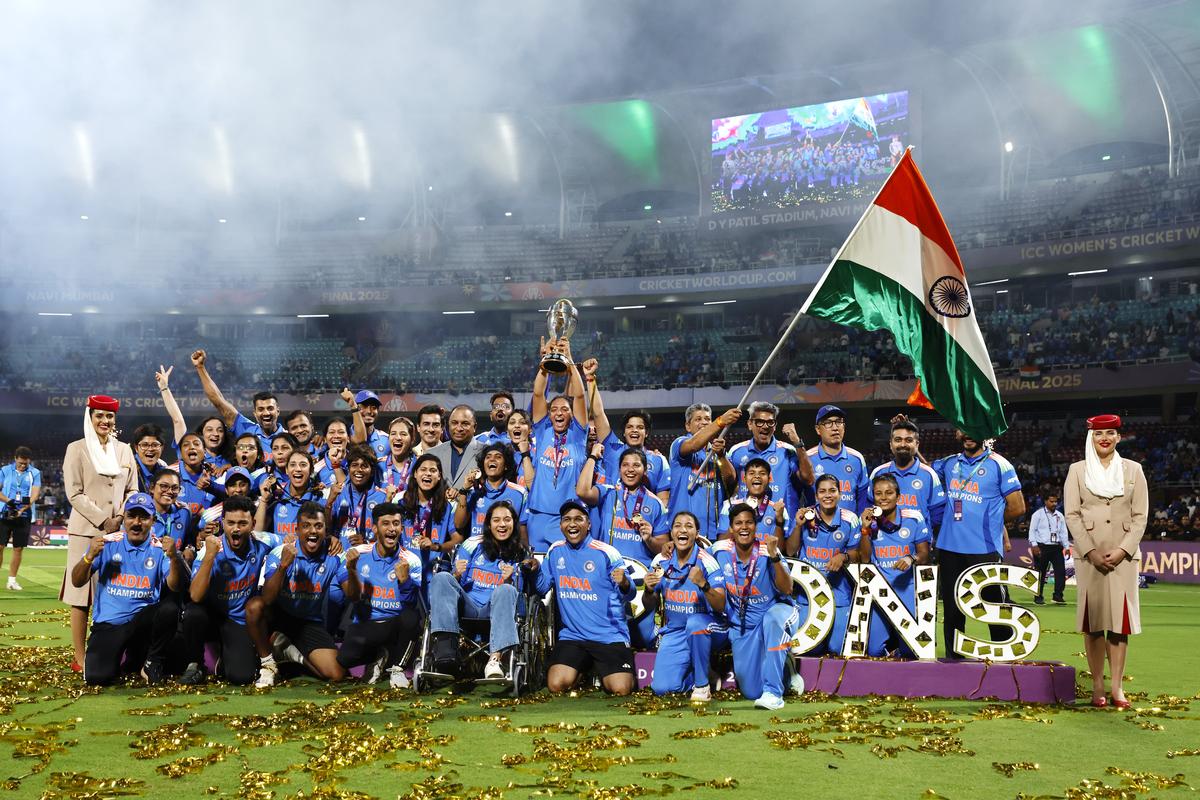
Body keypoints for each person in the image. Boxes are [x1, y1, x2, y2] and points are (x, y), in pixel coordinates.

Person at [1063, 414, 1148, 709]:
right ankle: (1097, 684)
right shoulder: (1077, 471)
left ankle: (1117, 687)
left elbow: (1140, 517)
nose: (1105, 438)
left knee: (1119, 624)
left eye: (1111, 432)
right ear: (1091, 437)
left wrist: (1124, 550)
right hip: (1090, 558)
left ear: (1119, 437)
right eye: (1099, 433)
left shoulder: (1134, 470)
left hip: (1124, 559)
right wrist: (1090, 551)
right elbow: (1072, 514)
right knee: (1094, 623)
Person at [70, 493, 187, 685]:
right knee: (98, 677)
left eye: (144, 517)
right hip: (110, 624)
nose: (137, 523)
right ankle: (130, 658)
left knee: (170, 609)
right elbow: (77, 581)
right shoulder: (107, 543)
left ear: (153, 521)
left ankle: (151, 662)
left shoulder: (160, 548)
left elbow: (175, 586)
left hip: (143, 623)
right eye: (132, 516)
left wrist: (174, 558)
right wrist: (88, 557)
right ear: (124, 518)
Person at [932, 429, 1025, 660]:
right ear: (956, 432)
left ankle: (1004, 658)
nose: (968, 434)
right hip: (949, 547)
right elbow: (924, 471)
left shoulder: (1000, 464)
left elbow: (1018, 507)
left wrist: (990, 522)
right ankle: (954, 659)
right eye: (964, 428)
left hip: (984, 549)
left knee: (995, 608)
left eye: (974, 427)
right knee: (953, 609)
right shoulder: (949, 463)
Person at [62, 395, 139, 671]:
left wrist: (121, 517)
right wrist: (103, 519)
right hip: (85, 532)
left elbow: (133, 490)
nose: (105, 421)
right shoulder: (76, 449)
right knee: (80, 597)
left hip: (119, 532)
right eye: (99, 416)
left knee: (117, 592)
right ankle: (81, 658)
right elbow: (74, 493)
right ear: (90, 417)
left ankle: (112, 652)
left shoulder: (124, 450)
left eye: (109, 416)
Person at [531, 500, 636, 696]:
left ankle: (596, 669)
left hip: (609, 636)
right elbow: (542, 588)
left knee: (621, 689)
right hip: (573, 636)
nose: (572, 524)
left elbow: (630, 594)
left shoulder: (606, 553)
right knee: (556, 685)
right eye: (567, 519)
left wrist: (624, 583)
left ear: (588, 524)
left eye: (579, 519)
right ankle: (584, 669)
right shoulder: (555, 551)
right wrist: (535, 571)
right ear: (561, 524)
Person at [181, 495, 280, 685]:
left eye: (242, 523)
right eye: (231, 523)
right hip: (210, 614)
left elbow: (289, 543)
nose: (236, 529)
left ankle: (224, 661)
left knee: (241, 677)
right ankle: (196, 665)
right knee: (193, 613)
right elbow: (195, 595)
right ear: (223, 523)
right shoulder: (208, 550)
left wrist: (331, 541)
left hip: (236, 619)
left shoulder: (264, 541)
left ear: (253, 523)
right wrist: (210, 556)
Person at [247, 501, 345, 687]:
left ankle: (291, 653)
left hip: (307, 621)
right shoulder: (281, 552)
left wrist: (353, 568)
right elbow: (267, 598)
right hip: (277, 615)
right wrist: (283, 566)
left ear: (326, 530)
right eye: (306, 526)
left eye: (318, 526)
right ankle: (268, 664)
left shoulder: (334, 554)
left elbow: (353, 595)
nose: (313, 531)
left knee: (336, 674)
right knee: (255, 606)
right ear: (297, 529)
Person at [710, 505, 798, 710]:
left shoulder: (768, 551)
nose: (744, 527)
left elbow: (787, 589)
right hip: (744, 626)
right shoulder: (719, 551)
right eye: (738, 523)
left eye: (749, 522)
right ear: (731, 528)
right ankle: (786, 670)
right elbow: (697, 555)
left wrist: (775, 556)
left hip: (777, 613)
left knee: (773, 621)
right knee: (751, 691)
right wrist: (668, 548)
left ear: (755, 526)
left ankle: (774, 694)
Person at [429, 500, 528, 680]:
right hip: (468, 605)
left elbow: (518, 594)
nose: (502, 524)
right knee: (442, 577)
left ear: (514, 523)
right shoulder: (472, 544)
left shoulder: (521, 553)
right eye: (496, 520)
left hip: (495, 610)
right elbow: (454, 586)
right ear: (489, 524)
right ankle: (446, 649)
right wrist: (456, 574)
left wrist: (510, 580)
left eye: (507, 519)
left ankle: (495, 660)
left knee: (506, 589)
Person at [335, 502, 423, 688]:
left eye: (397, 524)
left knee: (411, 618)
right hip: (367, 625)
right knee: (344, 658)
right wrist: (351, 570)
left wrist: (405, 582)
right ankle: (380, 656)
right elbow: (353, 597)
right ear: (375, 528)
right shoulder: (358, 554)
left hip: (395, 625)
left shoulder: (412, 560)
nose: (392, 529)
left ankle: (397, 669)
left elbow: (411, 605)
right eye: (386, 523)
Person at [642, 511, 726, 700]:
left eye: (689, 526)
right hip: (676, 632)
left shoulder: (707, 561)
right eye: (678, 525)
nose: (683, 529)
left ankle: (702, 686)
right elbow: (649, 605)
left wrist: (704, 585)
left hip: (710, 628)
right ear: (671, 532)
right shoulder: (660, 561)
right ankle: (702, 673)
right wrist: (648, 591)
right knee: (662, 688)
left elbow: (721, 605)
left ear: (697, 534)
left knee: (695, 623)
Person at [526, 337, 589, 551]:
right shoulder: (543, 431)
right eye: (553, 409)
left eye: (564, 409)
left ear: (572, 415)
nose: (558, 413)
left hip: (566, 518)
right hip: (537, 515)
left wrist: (568, 359)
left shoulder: (578, 435)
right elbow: (537, 393)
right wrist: (547, 362)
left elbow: (580, 395)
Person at [859, 473, 931, 658]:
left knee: (911, 650)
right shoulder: (869, 520)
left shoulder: (913, 518)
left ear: (898, 497)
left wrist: (911, 558)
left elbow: (925, 554)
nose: (883, 498)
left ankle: (897, 660)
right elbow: (865, 559)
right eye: (878, 493)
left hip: (906, 590)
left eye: (889, 493)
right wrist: (865, 529)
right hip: (880, 591)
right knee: (873, 650)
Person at [794, 474, 862, 655]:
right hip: (808, 596)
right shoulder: (805, 515)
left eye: (832, 490)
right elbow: (791, 550)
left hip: (838, 594)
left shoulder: (850, 519)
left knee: (836, 648)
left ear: (840, 494)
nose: (827, 495)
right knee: (808, 648)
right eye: (822, 491)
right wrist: (797, 526)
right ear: (816, 496)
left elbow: (858, 554)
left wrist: (843, 556)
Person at [576, 442, 669, 563]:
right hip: (609, 568)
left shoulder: (656, 503)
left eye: (636, 465)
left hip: (640, 571)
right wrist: (593, 456)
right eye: (625, 465)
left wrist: (649, 539)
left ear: (645, 471)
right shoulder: (608, 493)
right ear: (619, 470)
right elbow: (582, 491)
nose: (630, 469)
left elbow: (664, 547)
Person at [729, 401, 813, 524]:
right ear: (750, 424)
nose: (765, 426)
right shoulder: (736, 452)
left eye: (770, 422)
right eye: (759, 422)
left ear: (775, 426)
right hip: (747, 525)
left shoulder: (788, 451)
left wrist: (797, 442)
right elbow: (728, 483)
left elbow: (808, 479)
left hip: (783, 526)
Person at [667, 404, 742, 540]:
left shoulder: (717, 450)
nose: (704, 422)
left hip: (712, 533)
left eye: (707, 419)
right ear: (688, 426)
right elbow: (694, 444)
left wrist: (721, 456)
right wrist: (720, 421)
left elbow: (730, 479)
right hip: (682, 531)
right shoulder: (680, 443)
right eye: (698, 419)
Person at [191, 349, 282, 459]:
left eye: (270, 408)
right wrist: (200, 368)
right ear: (255, 413)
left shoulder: (289, 438)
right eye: (261, 409)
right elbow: (219, 401)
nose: (266, 413)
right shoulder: (246, 429)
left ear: (278, 411)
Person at [868, 417, 946, 531]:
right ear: (891, 444)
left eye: (909, 440)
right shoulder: (878, 472)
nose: (903, 444)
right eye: (898, 440)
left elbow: (937, 513)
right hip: (884, 544)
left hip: (918, 544)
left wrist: (922, 533)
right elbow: (870, 507)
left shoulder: (929, 474)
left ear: (917, 444)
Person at [398, 454, 461, 580]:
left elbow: (457, 540)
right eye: (423, 469)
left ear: (439, 476)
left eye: (433, 471)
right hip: (406, 572)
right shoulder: (401, 504)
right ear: (415, 474)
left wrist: (436, 546)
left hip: (433, 574)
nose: (427, 474)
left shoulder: (446, 507)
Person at [454, 443, 529, 541]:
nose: (492, 459)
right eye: (488, 457)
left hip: (507, 551)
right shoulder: (473, 492)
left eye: (498, 457)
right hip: (478, 552)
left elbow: (522, 530)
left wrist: (524, 554)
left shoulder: (519, 493)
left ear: (506, 466)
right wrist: (464, 490)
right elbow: (459, 525)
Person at [716, 458, 792, 553]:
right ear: (744, 478)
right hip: (737, 563)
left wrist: (779, 522)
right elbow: (721, 543)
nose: (757, 476)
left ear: (769, 479)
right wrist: (736, 520)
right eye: (751, 473)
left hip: (766, 564)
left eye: (762, 473)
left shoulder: (779, 509)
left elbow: (780, 550)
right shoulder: (730, 506)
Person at [805, 405, 866, 516]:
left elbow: (863, 498)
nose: (835, 428)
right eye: (828, 423)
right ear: (818, 429)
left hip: (850, 530)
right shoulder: (807, 458)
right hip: (816, 529)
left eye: (839, 422)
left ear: (844, 426)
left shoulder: (857, 458)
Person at [328, 444, 389, 548]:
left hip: (367, 559)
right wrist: (328, 504)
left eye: (364, 466)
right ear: (348, 469)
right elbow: (325, 529)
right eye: (354, 465)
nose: (359, 470)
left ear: (372, 471)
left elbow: (386, 537)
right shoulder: (338, 494)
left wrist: (366, 543)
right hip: (339, 558)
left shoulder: (382, 498)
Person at [0, 446, 41, 591]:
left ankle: (11, 581)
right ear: (15, 459)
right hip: (4, 512)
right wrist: (9, 502)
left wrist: (22, 508)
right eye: (20, 463)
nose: (23, 466)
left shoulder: (35, 473)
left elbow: (35, 494)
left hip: (24, 514)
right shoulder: (5, 470)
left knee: (18, 549)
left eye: (26, 463)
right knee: (0, 547)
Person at [254, 451, 323, 537]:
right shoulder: (276, 497)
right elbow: (257, 534)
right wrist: (264, 500)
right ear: (287, 470)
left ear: (311, 470)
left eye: (303, 465)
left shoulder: (320, 498)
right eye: (293, 464)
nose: (298, 469)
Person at [427, 404, 485, 490]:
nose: (459, 428)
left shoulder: (486, 452)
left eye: (465, 424)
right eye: (454, 423)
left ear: (475, 427)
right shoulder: (431, 454)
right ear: (448, 425)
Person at [1029, 493, 1069, 605]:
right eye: (1051, 501)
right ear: (1045, 502)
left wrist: (1066, 547)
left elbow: (1063, 532)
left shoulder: (1060, 515)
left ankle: (1058, 596)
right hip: (1042, 547)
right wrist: (1034, 545)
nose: (1054, 504)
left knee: (1060, 572)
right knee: (1040, 573)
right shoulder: (1038, 514)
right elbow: (1032, 530)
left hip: (1056, 547)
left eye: (1056, 501)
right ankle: (1038, 596)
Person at [148, 467, 197, 549]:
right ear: (152, 488)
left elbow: (189, 542)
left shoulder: (184, 513)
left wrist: (190, 549)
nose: (170, 491)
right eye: (164, 486)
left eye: (175, 488)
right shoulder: (141, 514)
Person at [344, 389, 390, 461]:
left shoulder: (387, 440)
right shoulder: (344, 437)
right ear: (355, 408)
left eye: (374, 407)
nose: (369, 411)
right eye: (364, 406)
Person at [380, 417, 417, 498]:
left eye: (403, 434)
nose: (398, 438)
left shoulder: (419, 466)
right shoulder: (378, 467)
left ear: (412, 439)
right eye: (393, 433)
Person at [130, 424, 169, 494]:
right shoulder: (128, 467)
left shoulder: (164, 469)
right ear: (136, 448)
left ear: (162, 448)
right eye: (144, 445)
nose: (150, 449)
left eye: (155, 445)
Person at [506, 409, 536, 487]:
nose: (516, 425)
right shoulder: (501, 453)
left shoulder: (539, 453)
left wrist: (525, 454)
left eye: (522, 422)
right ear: (507, 430)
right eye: (512, 422)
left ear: (530, 429)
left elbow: (533, 488)